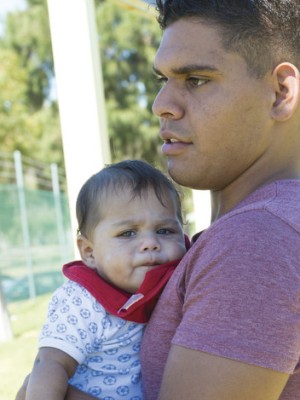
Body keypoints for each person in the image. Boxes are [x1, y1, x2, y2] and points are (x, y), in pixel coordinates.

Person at [16, 1, 300, 399]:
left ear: (280, 92)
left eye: (196, 79)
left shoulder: (257, 239)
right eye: (161, 80)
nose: (161, 105)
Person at [18, 159, 187, 400]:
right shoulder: (83, 300)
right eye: (127, 233)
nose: (151, 243)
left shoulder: (180, 278)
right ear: (89, 252)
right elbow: (50, 363)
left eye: (164, 231)